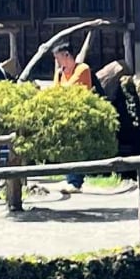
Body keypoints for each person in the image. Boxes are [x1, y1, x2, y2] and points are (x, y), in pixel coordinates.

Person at [53, 43, 94, 192]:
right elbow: (55, 92)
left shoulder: (83, 69)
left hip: (80, 113)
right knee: (66, 146)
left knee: (77, 146)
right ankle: (69, 178)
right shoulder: (59, 73)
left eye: (58, 58)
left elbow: (72, 87)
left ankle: (76, 181)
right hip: (64, 114)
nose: (57, 62)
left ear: (67, 55)